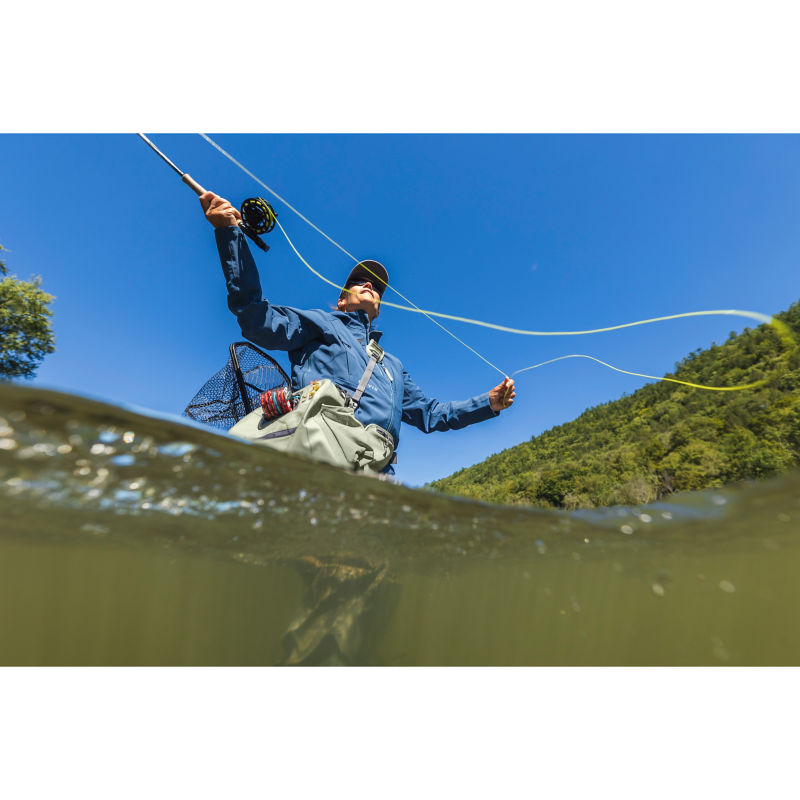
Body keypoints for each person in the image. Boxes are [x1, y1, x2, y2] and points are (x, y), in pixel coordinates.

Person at [200, 192, 516, 473]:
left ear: (378, 307)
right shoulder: (321, 322)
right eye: (359, 282)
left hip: (375, 474)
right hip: (316, 459)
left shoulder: (393, 367)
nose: (369, 284)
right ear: (341, 299)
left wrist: (487, 404)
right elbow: (257, 320)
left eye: (376, 286)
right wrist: (229, 234)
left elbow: (432, 415)